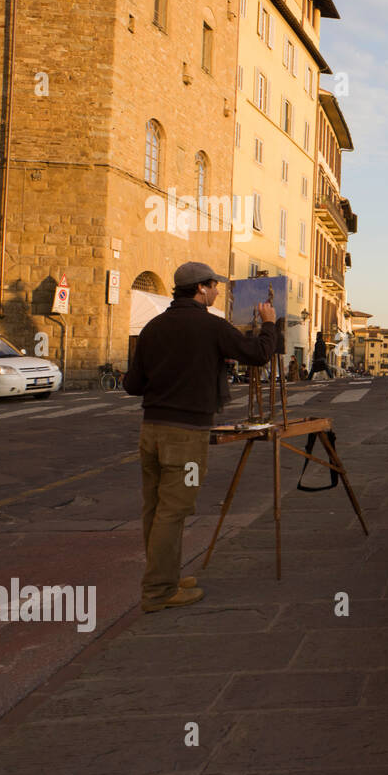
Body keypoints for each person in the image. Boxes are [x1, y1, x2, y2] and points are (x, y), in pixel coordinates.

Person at [122, 261, 279, 613]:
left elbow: (133, 385)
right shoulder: (210, 326)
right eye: (214, 285)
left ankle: (167, 576)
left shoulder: (153, 327)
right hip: (186, 435)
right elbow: (258, 354)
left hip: (151, 431)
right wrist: (269, 324)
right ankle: (159, 591)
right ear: (201, 289)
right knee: (174, 511)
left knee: (155, 509)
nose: (218, 291)